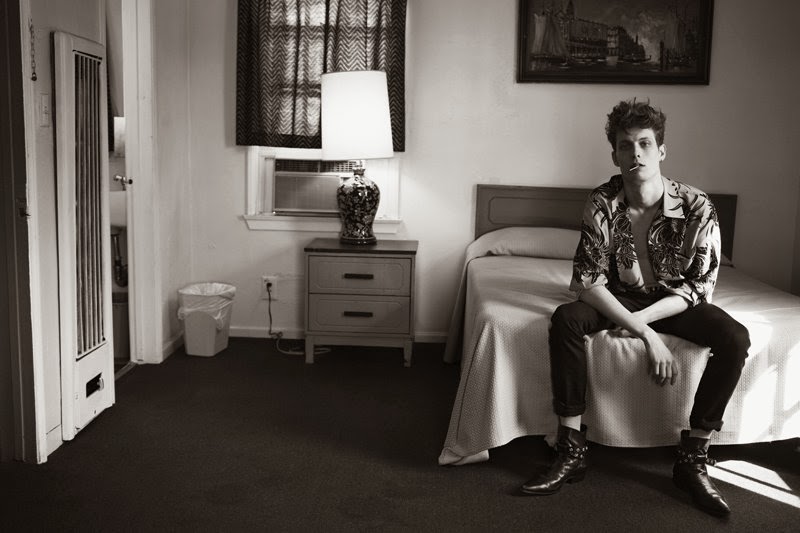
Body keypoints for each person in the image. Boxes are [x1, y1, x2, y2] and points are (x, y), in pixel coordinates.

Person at [520, 99, 750, 517]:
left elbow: (699, 286)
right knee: (566, 319)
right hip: (620, 295)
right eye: (626, 145)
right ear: (615, 155)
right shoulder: (602, 201)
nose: (636, 153)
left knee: (735, 337)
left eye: (645, 144)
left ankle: (693, 456)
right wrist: (644, 333)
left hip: (674, 299)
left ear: (661, 150)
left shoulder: (697, 205)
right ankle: (571, 449)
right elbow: (588, 281)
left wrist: (643, 320)